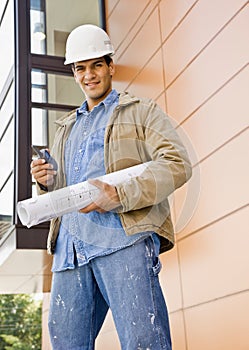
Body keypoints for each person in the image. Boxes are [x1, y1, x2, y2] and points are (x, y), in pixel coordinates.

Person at [31, 24, 192, 350]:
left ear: (110, 67)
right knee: (66, 344)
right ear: (74, 74)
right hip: (69, 253)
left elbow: (177, 163)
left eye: (96, 65)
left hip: (121, 241)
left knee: (143, 341)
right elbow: (63, 189)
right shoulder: (66, 129)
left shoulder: (141, 111)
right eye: (80, 68)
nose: (88, 75)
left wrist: (120, 194)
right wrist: (45, 182)